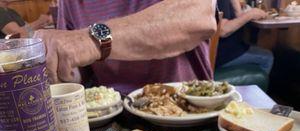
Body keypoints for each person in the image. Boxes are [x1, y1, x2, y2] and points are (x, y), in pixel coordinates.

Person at [34, 1, 217, 93]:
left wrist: (91, 39)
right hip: (109, 113)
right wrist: (58, 69)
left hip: (189, 108)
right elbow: (81, 70)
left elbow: (198, 16)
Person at [216, 0, 274, 75]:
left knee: (258, 48)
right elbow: (223, 31)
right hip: (222, 55)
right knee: (267, 57)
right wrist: (250, 14)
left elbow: (238, 15)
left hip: (231, 49)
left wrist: (239, 8)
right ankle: (255, 86)